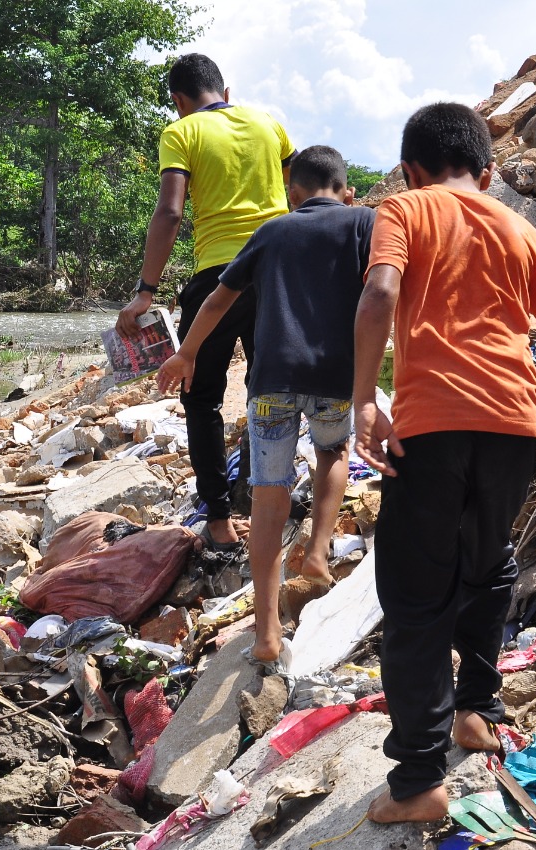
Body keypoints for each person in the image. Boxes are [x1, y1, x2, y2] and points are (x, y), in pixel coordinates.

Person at [352, 103, 536, 824]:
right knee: (488, 564)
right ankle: (476, 712)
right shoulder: (519, 226)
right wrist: (530, 398)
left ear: (409, 169)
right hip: (512, 432)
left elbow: (379, 292)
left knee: (416, 596)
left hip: (431, 428)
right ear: (488, 174)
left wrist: (365, 399)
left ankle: (420, 782)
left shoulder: (403, 208)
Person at [157, 145, 374, 664]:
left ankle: (266, 634)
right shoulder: (363, 223)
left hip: (271, 384)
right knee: (332, 455)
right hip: (333, 378)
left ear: (291, 194)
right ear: (346, 190)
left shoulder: (272, 231)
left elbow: (215, 300)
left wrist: (186, 353)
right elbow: (386, 289)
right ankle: (319, 551)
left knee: (269, 501)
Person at [117, 53, 295, 549]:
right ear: (226, 91)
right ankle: (269, 504)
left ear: (178, 101)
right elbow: (296, 193)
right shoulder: (270, 125)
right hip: (276, 271)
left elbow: (170, 214)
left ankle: (218, 520)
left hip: (217, 274)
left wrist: (145, 292)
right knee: (272, 394)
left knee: (202, 399)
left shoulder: (182, 133)